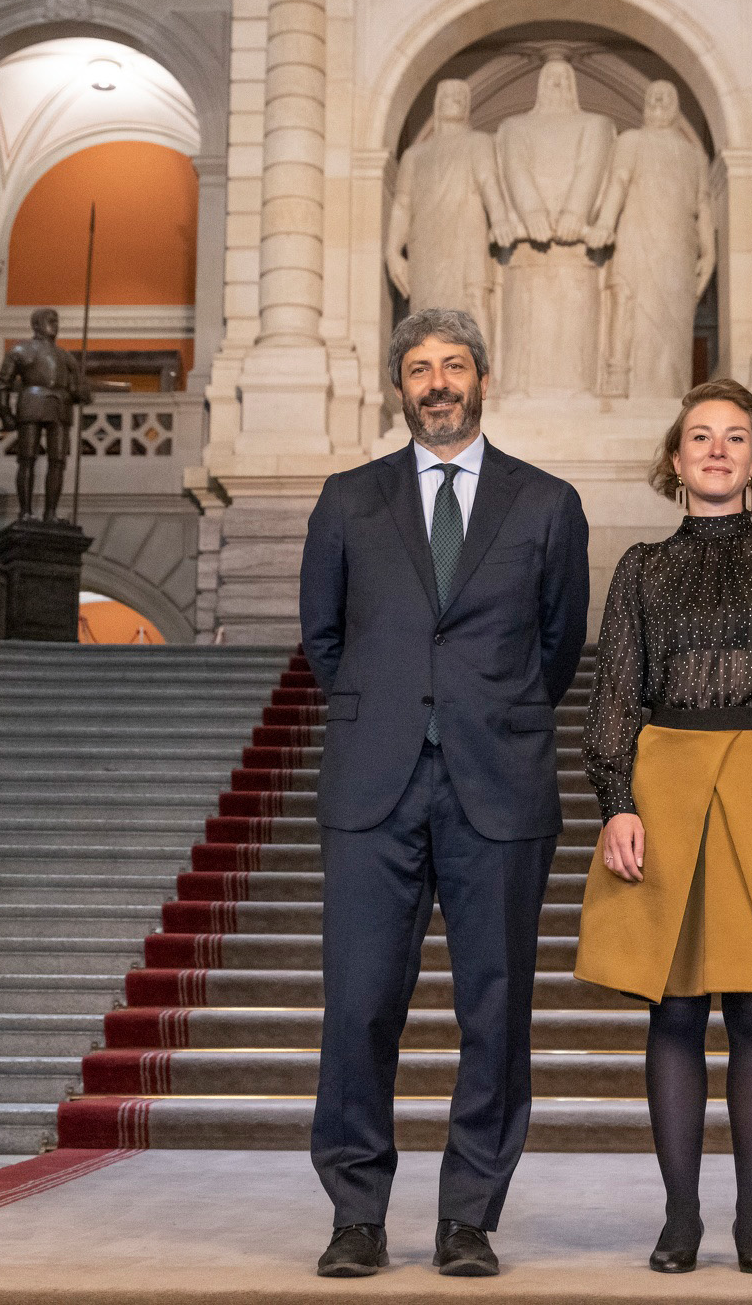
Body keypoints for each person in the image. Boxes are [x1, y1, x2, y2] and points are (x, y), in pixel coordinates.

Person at [298, 307, 590, 1279]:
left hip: (497, 786)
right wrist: (391, 712)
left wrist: (482, 714)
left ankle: (469, 1215)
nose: (437, 383)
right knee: (359, 1005)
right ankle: (356, 1213)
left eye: (453, 365)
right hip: (372, 786)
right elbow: (325, 642)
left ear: (481, 377)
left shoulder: (547, 506)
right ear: (400, 387)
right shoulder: (346, 501)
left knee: (496, 1007)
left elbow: (556, 651)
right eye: (418, 368)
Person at [574, 379, 752, 1276]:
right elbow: (615, 691)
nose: (717, 450)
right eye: (701, 436)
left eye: (735, 437)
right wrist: (616, 798)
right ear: (675, 457)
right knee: (674, 1007)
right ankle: (680, 1219)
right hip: (664, 785)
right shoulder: (641, 569)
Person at [0, 307, 93, 521]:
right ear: (36, 324)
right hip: (32, 403)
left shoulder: (66, 357)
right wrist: (5, 413)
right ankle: (25, 511)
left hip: (60, 407)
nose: (55, 325)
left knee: (58, 461)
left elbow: (76, 389)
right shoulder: (21, 350)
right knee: (27, 459)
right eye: (50, 320)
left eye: (56, 321)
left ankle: (51, 513)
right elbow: (2, 384)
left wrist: (82, 392)